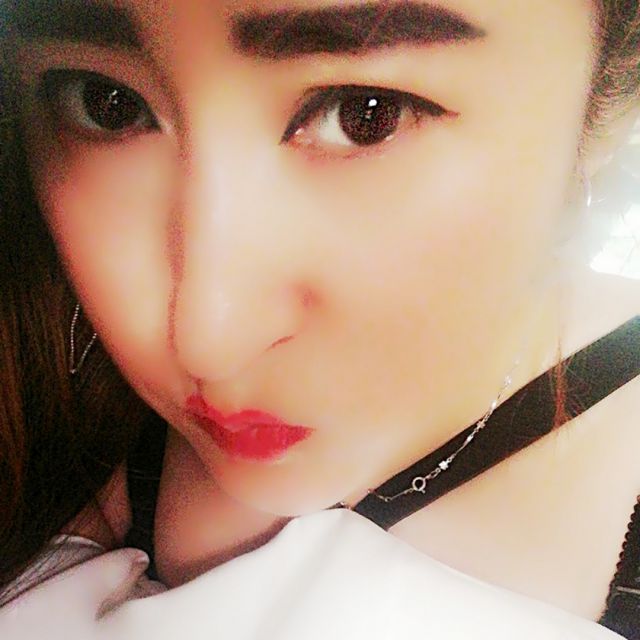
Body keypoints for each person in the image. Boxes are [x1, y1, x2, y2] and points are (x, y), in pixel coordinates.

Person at [0, 0, 639, 637]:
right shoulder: (52, 389)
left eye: (366, 115)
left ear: (609, 104)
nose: (207, 342)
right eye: (107, 104)